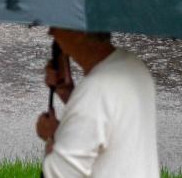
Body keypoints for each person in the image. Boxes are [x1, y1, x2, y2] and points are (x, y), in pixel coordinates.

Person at [35, 27, 159, 178]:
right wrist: (69, 95)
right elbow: (105, 122)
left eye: (57, 27)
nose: (51, 33)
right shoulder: (133, 65)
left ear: (80, 33)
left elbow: (60, 173)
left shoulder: (95, 90)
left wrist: (52, 138)